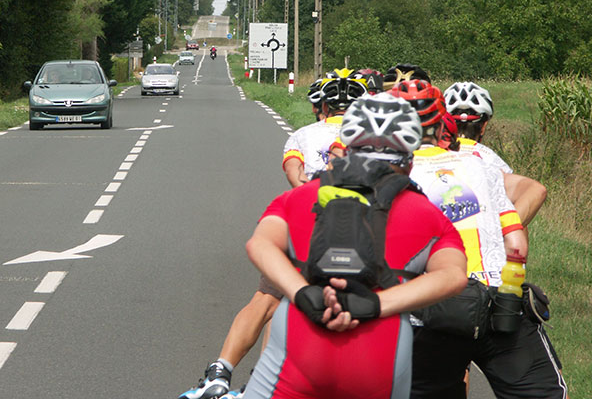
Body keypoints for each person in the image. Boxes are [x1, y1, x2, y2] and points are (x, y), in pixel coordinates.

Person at [241, 94, 467, 399]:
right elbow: (453, 276)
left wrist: (304, 293)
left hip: (295, 354)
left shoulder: (300, 197)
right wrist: (375, 305)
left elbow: (260, 243)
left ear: (345, 150)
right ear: (410, 162)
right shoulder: (427, 214)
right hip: (379, 362)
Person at [178, 70, 369, 399]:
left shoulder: (303, 135)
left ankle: (221, 372)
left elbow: (294, 176)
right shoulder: (370, 137)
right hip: (359, 229)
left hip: (307, 220)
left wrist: (312, 194)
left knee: (269, 299)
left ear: (320, 107)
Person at [388, 80, 568, 399]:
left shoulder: (393, 177)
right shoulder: (478, 164)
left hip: (434, 308)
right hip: (499, 302)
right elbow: (517, 243)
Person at [443, 81, 547, 228]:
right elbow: (537, 190)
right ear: (484, 126)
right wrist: (503, 232)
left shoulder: (431, 157)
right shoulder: (492, 161)